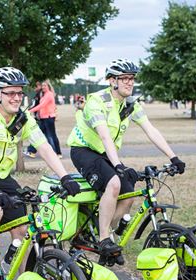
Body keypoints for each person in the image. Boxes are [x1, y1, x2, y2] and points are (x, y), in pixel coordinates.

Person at [0, 67, 80, 276]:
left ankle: (22, 279)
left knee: (22, 225)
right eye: (10, 93)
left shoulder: (23, 119)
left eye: (20, 92)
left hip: (2, 176)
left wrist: (65, 176)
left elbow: (45, 148)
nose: (17, 98)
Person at [67, 59, 185, 262]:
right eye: (124, 79)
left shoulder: (130, 104)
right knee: (114, 183)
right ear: (112, 81)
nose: (130, 83)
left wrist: (173, 157)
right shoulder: (97, 101)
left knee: (128, 195)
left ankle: (99, 230)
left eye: (132, 79)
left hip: (107, 153)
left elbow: (150, 129)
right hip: (84, 150)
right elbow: (104, 135)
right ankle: (104, 238)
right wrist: (118, 166)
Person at [29, 80, 62, 157]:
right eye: (42, 85)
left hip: (49, 118)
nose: (43, 87)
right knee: (39, 135)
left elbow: (42, 105)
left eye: (45, 85)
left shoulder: (49, 95)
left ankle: (57, 153)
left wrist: (30, 111)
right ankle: (31, 151)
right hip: (43, 118)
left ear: (48, 87)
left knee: (51, 136)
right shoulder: (44, 95)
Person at [25, 81, 43, 158]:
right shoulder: (38, 94)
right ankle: (31, 151)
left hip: (41, 118)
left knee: (37, 135)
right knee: (43, 135)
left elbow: (39, 105)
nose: (34, 88)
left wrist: (29, 110)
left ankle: (31, 150)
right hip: (39, 117)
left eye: (36, 86)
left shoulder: (40, 94)